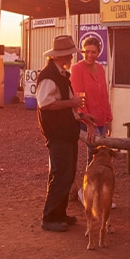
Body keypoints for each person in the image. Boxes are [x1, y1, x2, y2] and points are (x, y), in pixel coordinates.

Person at [36, 34, 85, 232]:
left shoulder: (59, 75)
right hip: (58, 133)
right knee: (61, 174)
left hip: (65, 131)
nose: (71, 58)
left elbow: (60, 104)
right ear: (60, 56)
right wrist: (72, 104)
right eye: (68, 55)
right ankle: (49, 218)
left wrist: (81, 116)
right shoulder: (50, 76)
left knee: (66, 173)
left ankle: (59, 214)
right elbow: (45, 104)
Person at [70, 36, 112, 138]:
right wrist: (89, 124)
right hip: (87, 119)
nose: (89, 55)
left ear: (98, 53)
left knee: (102, 150)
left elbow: (104, 96)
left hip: (101, 119)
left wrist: (109, 119)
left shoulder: (100, 68)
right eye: (86, 52)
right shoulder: (77, 69)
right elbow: (79, 99)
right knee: (95, 149)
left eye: (93, 52)